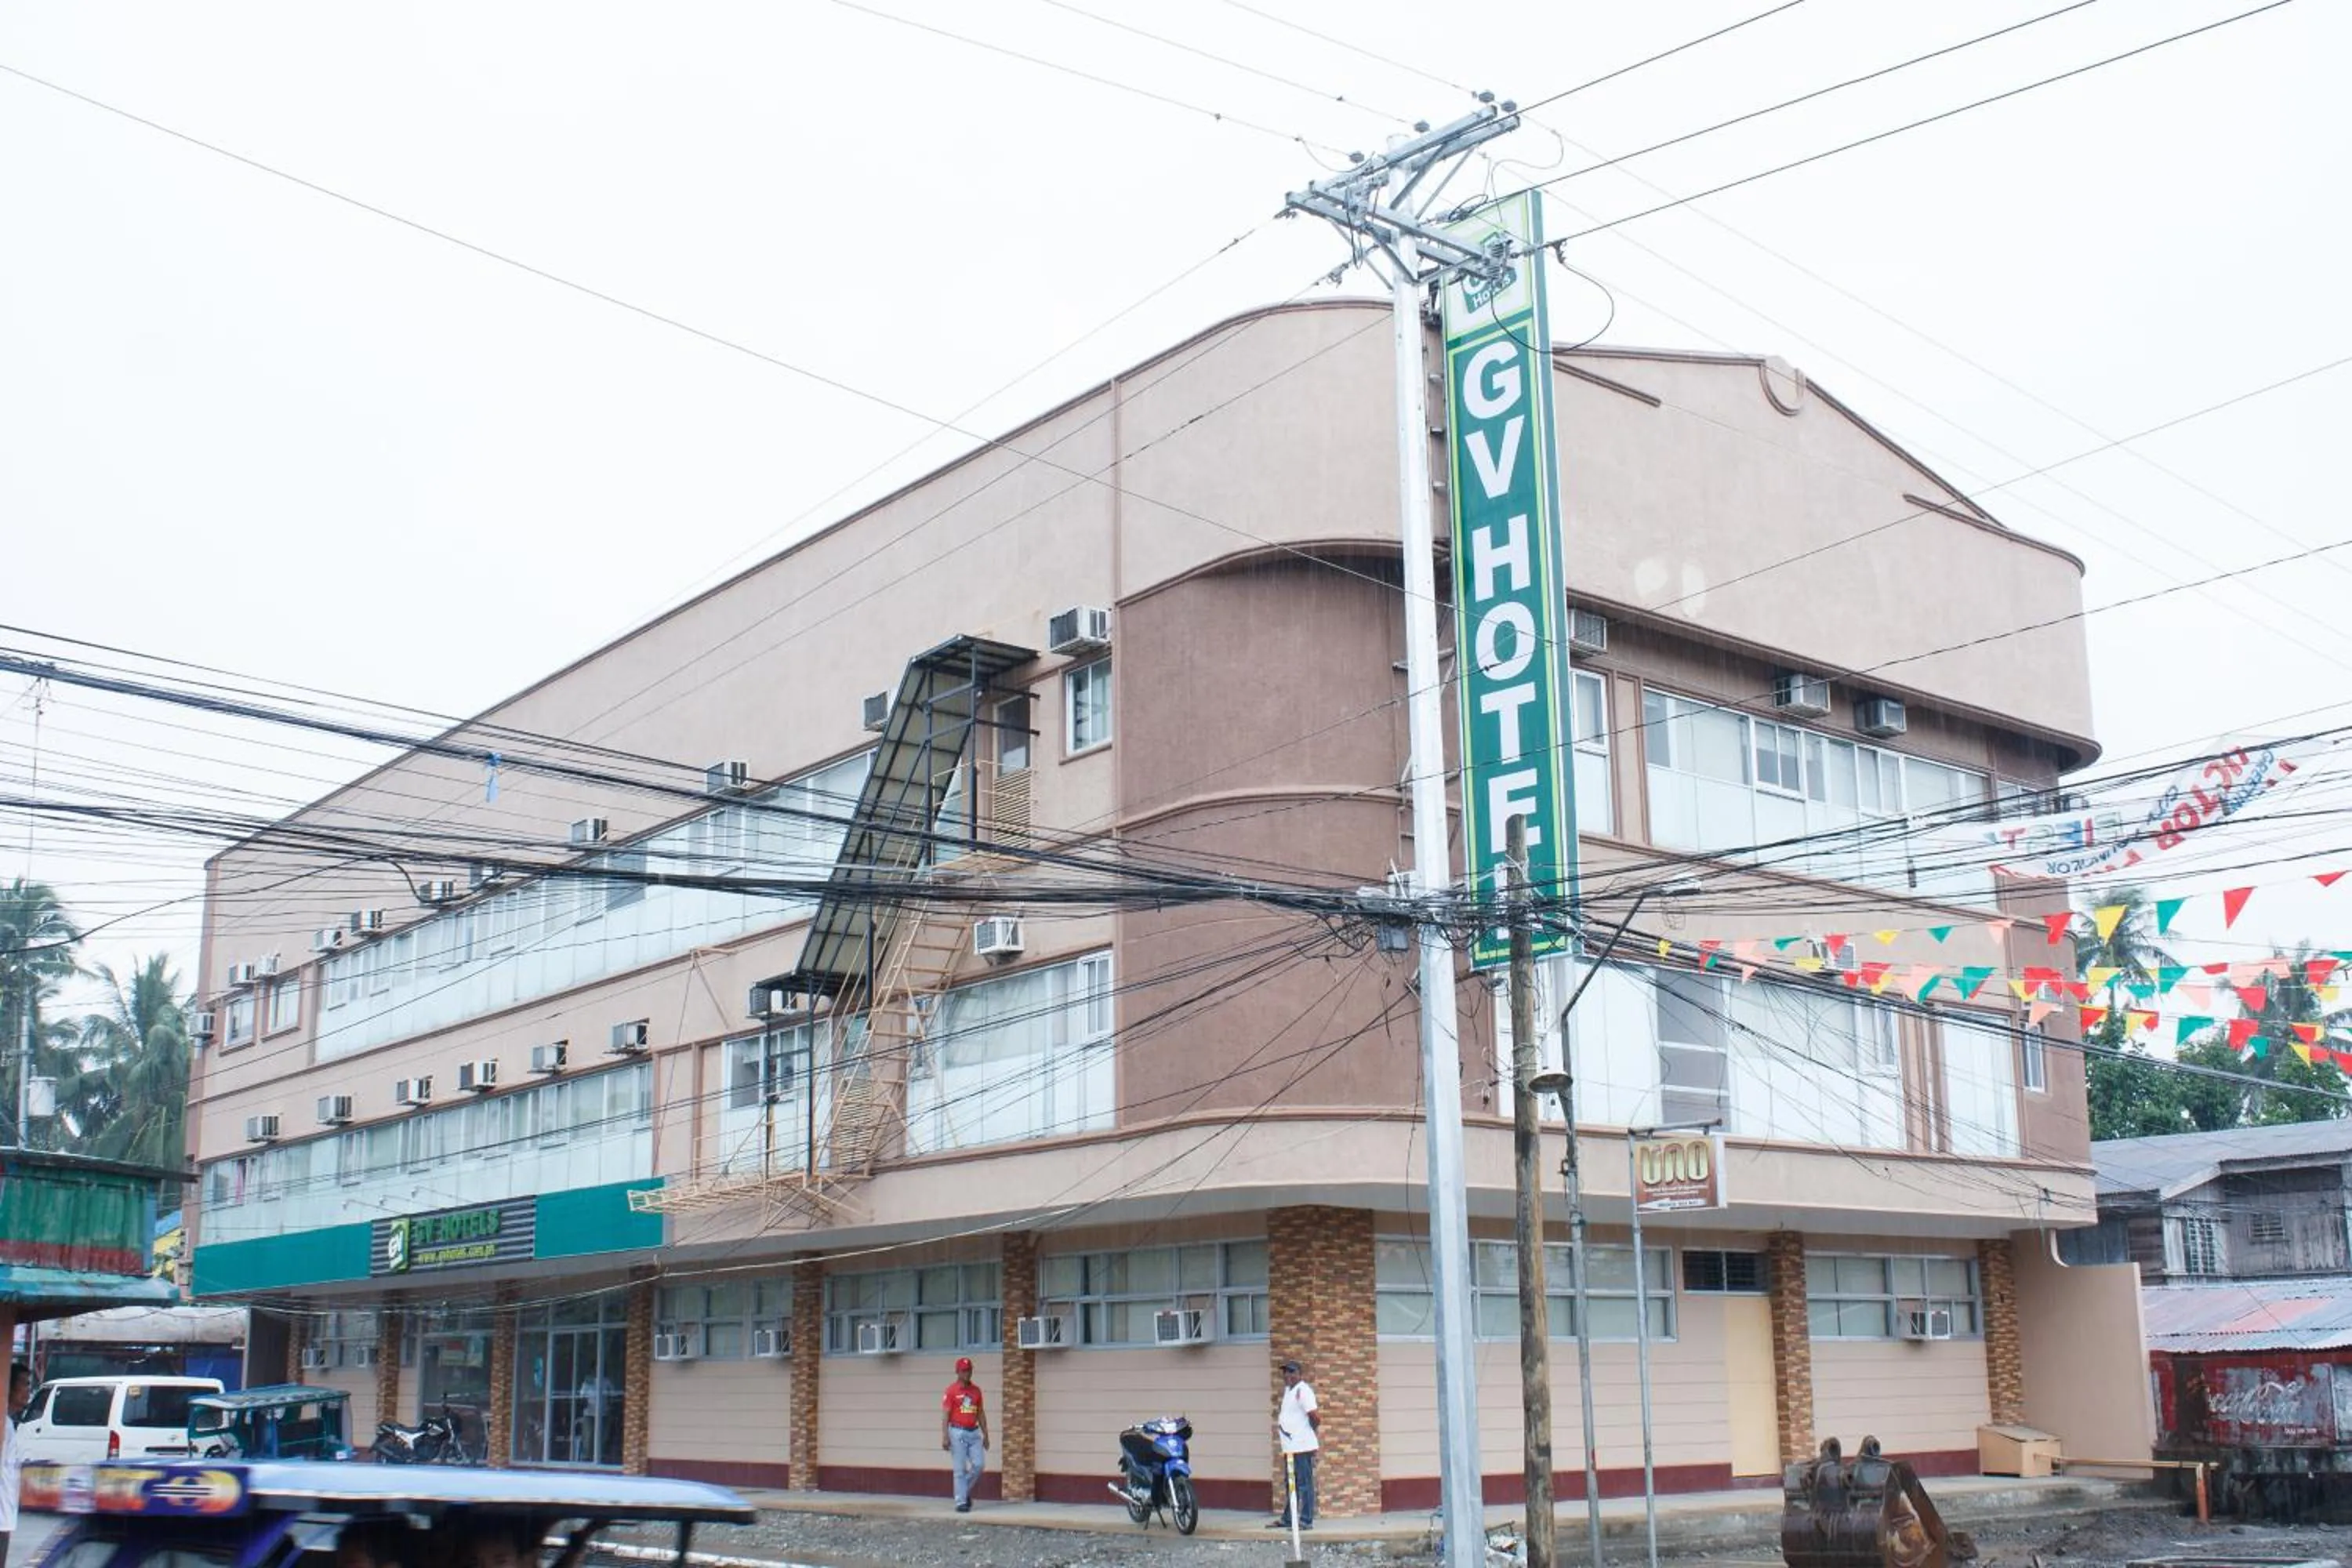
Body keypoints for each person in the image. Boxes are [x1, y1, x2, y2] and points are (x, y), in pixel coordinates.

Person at [1271, 1358, 1319, 1531]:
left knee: (1305, 1484)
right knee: (1291, 1482)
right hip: (1290, 1447)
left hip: (1302, 1446)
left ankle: (1306, 1520)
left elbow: (1314, 1416)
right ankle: (1288, 1518)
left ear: (1300, 1374)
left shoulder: (1303, 1391)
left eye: (1292, 1372)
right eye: (1286, 1372)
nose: (1288, 1375)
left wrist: (1306, 1435)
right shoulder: (1289, 1391)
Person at [938, 1356, 989, 1512]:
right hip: (957, 1432)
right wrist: (945, 1436)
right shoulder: (951, 1391)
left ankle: (963, 1490)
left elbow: (980, 1413)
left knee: (979, 1465)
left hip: (973, 1432)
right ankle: (961, 1501)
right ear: (958, 1372)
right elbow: (946, 1414)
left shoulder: (976, 1391)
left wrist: (986, 1434)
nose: (967, 1374)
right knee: (959, 1469)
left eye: (969, 1370)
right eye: (964, 1371)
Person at [0, 1363, 27, 1565]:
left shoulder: (9, 1424)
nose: (27, 1390)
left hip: (6, 1517)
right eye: (23, 1384)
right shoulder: (4, 1425)